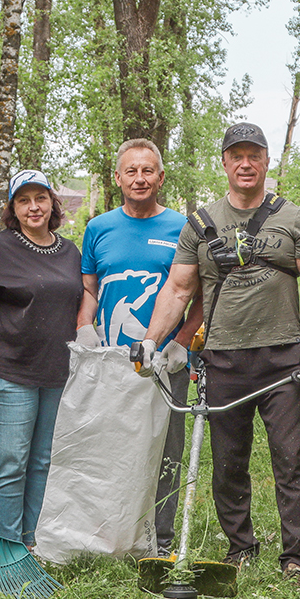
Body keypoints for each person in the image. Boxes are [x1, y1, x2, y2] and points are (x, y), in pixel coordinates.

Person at [141, 122, 300, 583]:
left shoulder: (296, 220)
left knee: (291, 461)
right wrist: (153, 340)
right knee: (228, 463)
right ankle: (240, 547)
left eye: (254, 155)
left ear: (267, 161)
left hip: (282, 360)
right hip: (222, 359)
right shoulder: (200, 223)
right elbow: (177, 288)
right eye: (236, 156)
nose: (245, 164)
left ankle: (295, 558)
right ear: (224, 163)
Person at [76, 138, 202, 554]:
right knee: (110, 446)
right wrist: (84, 325)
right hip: (112, 363)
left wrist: (182, 341)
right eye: (131, 170)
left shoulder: (182, 227)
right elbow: (89, 288)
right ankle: (113, 532)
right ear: (118, 178)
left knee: (166, 450)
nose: (140, 178)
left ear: (161, 177)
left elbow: (200, 294)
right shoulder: (98, 228)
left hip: (167, 362)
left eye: (148, 170)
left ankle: (160, 539)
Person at [0, 169, 84, 547]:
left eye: (41, 198)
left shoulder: (69, 252)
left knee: (42, 462)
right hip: (8, 372)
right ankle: (9, 544)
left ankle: (33, 541)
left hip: (56, 374)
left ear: (52, 203)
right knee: (11, 461)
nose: (34, 207)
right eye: (23, 200)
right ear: (13, 208)